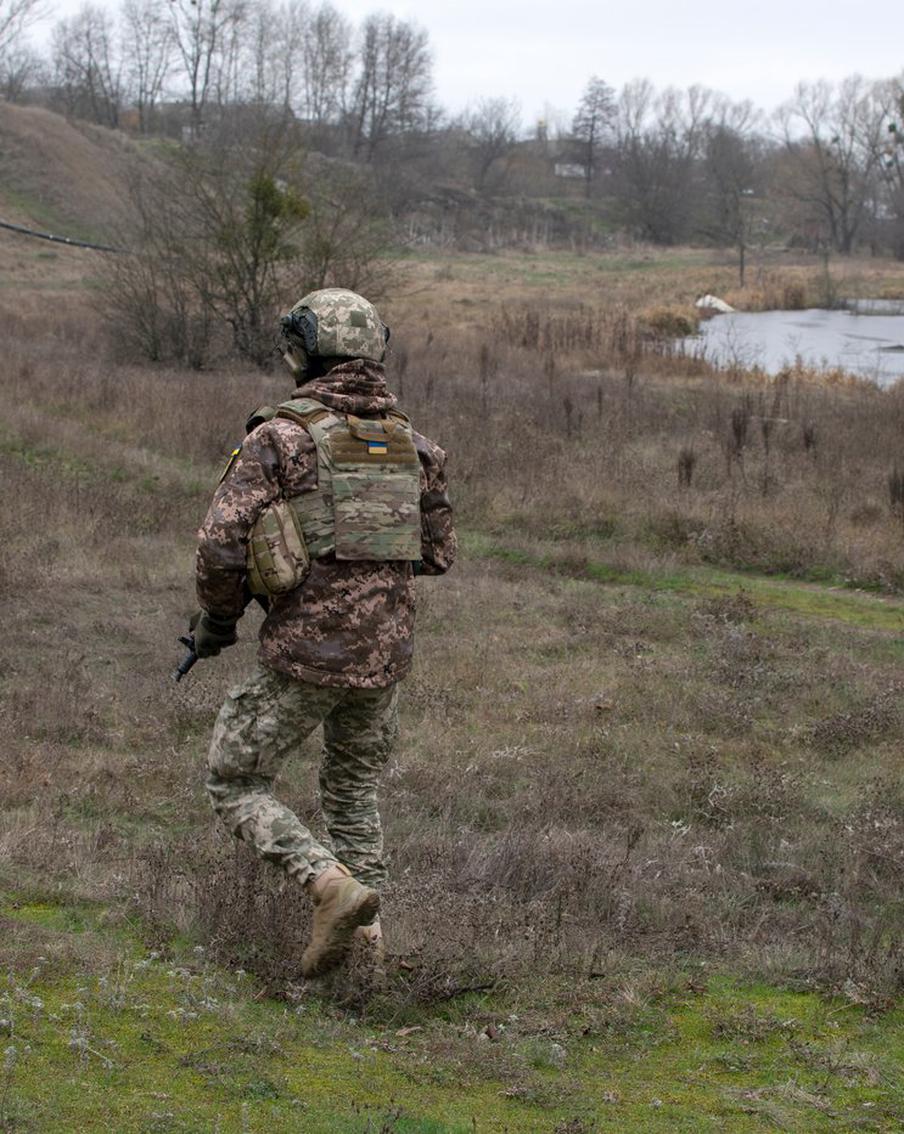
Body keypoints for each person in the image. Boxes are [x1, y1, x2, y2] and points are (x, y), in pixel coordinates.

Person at [193, 288, 456, 978]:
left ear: (303, 351)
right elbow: (436, 553)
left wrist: (220, 620)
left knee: (234, 780)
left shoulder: (279, 438)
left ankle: (327, 886)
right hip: (386, 657)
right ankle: (366, 969)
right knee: (351, 794)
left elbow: (221, 546)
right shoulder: (414, 447)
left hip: (306, 655)